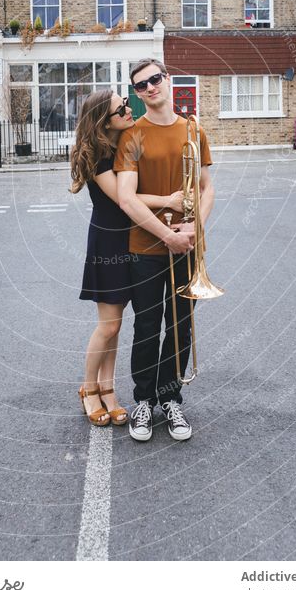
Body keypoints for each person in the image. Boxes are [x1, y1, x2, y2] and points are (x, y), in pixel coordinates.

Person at [70, 89, 184, 428]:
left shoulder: (120, 143)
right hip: (108, 242)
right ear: (106, 120)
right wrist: (169, 200)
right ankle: (89, 389)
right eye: (123, 108)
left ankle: (108, 390)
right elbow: (125, 198)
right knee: (109, 325)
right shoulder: (98, 155)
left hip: (130, 240)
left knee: (117, 325)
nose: (130, 109)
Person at [114, 59, 214, 442]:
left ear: (167, 80)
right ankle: (143, 400)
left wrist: (192, 227)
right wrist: (166, 235)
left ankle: (170, 398)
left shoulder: (193, 129)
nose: (151, 88)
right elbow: (127, 199)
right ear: (137, 94)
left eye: (155, 79)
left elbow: (207, 189)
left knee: (180, 326)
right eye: (142, 86)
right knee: (146, 327)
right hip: (146, 247)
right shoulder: (132, 136)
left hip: (187, 243)